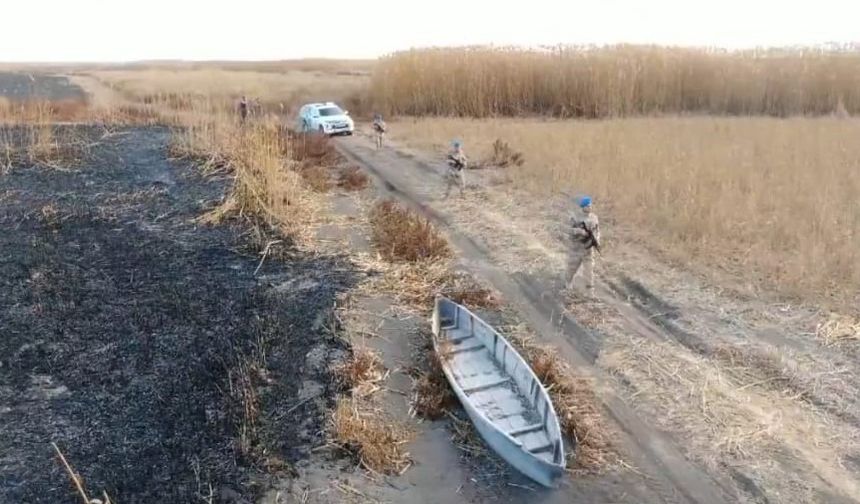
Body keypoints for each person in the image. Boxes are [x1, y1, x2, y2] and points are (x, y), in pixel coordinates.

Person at [566, 195, 600, 297]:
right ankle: (568, 282)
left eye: (590, 205)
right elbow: (569, 230)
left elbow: (597, 231)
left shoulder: (594, 218)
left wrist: (597, 240)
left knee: (589, 271)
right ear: (583, 207)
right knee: (572, 268)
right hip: (577, 247)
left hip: (588, 249)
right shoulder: (575, 217)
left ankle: (590, 292)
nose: (590, 207)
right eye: (588, 206)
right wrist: (579, 231)